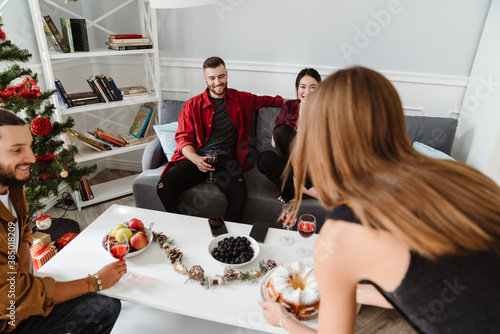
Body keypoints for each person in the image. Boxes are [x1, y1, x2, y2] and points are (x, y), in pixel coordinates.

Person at [258, 66, 500, 333]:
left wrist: (283, 319)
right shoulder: (463, 176)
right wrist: (349, 288)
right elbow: (434, 280)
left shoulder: (342, 232)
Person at [0, 108, 125, 334]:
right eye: (17, 150)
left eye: (28, 146)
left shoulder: (12, 186)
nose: (31, 158)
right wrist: (95, 281)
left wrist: (23, 292)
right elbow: (13, 297)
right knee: (104, 308)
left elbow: (22, 233)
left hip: (11, 302)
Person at [157, 56, 283, 222]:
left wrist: (304, 101)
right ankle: (185, 226)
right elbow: (183, 139)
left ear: (227, 75)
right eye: (212, 78)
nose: (217, 82)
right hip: (197, 157)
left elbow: (276, 101)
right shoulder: (192, 105)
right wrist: (196, 159)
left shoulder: (242, 99)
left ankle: (227, 239)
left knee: (239, 196)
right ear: (205, 79)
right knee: (164, 188)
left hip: (226, 160)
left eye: (221, 76)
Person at [257, 68, 321, 202]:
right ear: (297, 88)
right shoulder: (289, 106)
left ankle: (292, 189)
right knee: (264, 159)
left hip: (311, 166)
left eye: (313, 87)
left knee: (283, 131)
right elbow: (275, 142)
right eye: (303, 87)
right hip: (289, 163)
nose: (307, 91)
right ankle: (303, 189)